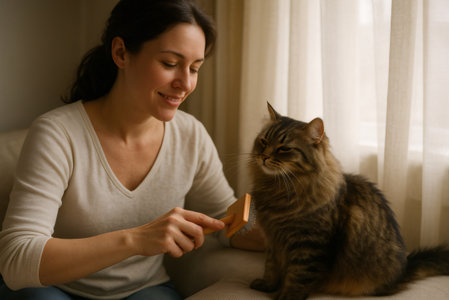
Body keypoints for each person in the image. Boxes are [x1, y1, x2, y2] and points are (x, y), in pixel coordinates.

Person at [0, 0, 264, 299]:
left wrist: (285, 234)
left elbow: (222, 219)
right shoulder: (58, 134)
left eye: (195, 68)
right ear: (121, 53)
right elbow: (16, 260)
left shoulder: (191, 135)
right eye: (169, 64)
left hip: (144, 290)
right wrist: (137, 239)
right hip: (52, 289)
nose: (185, 83)